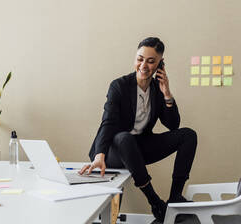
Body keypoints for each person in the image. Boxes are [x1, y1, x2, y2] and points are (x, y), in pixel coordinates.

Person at [79, 37, 197, 222]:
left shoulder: (158, 89)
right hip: (114, 149)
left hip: (139, 147)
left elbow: (173, 125)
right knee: (124, 138)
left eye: (151, 61)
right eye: (140, 59)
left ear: (160, 64)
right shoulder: (119, 86)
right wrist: (99, 155)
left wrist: (167, 94)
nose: (144, 65)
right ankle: (155, 201)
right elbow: (108, 122)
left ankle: (175, 198)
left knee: (188, 135)